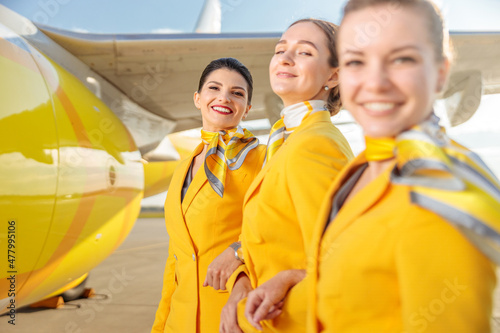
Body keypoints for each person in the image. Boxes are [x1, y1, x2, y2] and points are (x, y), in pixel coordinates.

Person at [305, 0, 500, 332]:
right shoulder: (366, 165)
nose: (375, 82)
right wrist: (293, 284)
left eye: (402, 59)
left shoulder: (441, 193)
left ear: (440, 70)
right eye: (355, 61)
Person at [218, 19, 354, 333]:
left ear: (333, 75)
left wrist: (289, 279)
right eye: (280, 50)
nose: (285, 58)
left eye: (304, 52)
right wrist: (239, 288)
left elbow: (345, 261)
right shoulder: (286, 141)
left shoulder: (317, 144)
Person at [151, 57, 266, 333]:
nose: (224, 97)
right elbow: (176, 259)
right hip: (179, 321)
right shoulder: (182, 168)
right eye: (214, 88)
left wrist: (239, 251)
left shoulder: (263, 160)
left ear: (247, 109)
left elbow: (285, 229)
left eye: (237, 93)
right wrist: (160, 325)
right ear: (198, 98)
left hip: (233, 317)